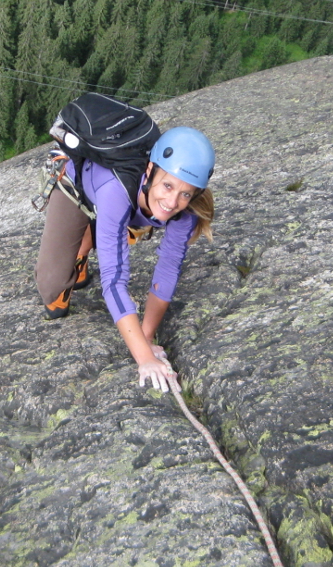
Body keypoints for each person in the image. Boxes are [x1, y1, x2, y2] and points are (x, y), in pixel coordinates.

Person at [34, 127, 215, 393]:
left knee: (127, 217)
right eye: (167, 185)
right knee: (53, 290)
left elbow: (167, 273)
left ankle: (105, 228)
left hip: (122, 204)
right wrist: (144, 359)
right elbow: (114, 282)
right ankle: (84, 242)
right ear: (151, 169)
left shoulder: (184, 211)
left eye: (185, 193)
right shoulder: (116, 189)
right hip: (76, 185)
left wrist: (145, 335)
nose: (173, 200)